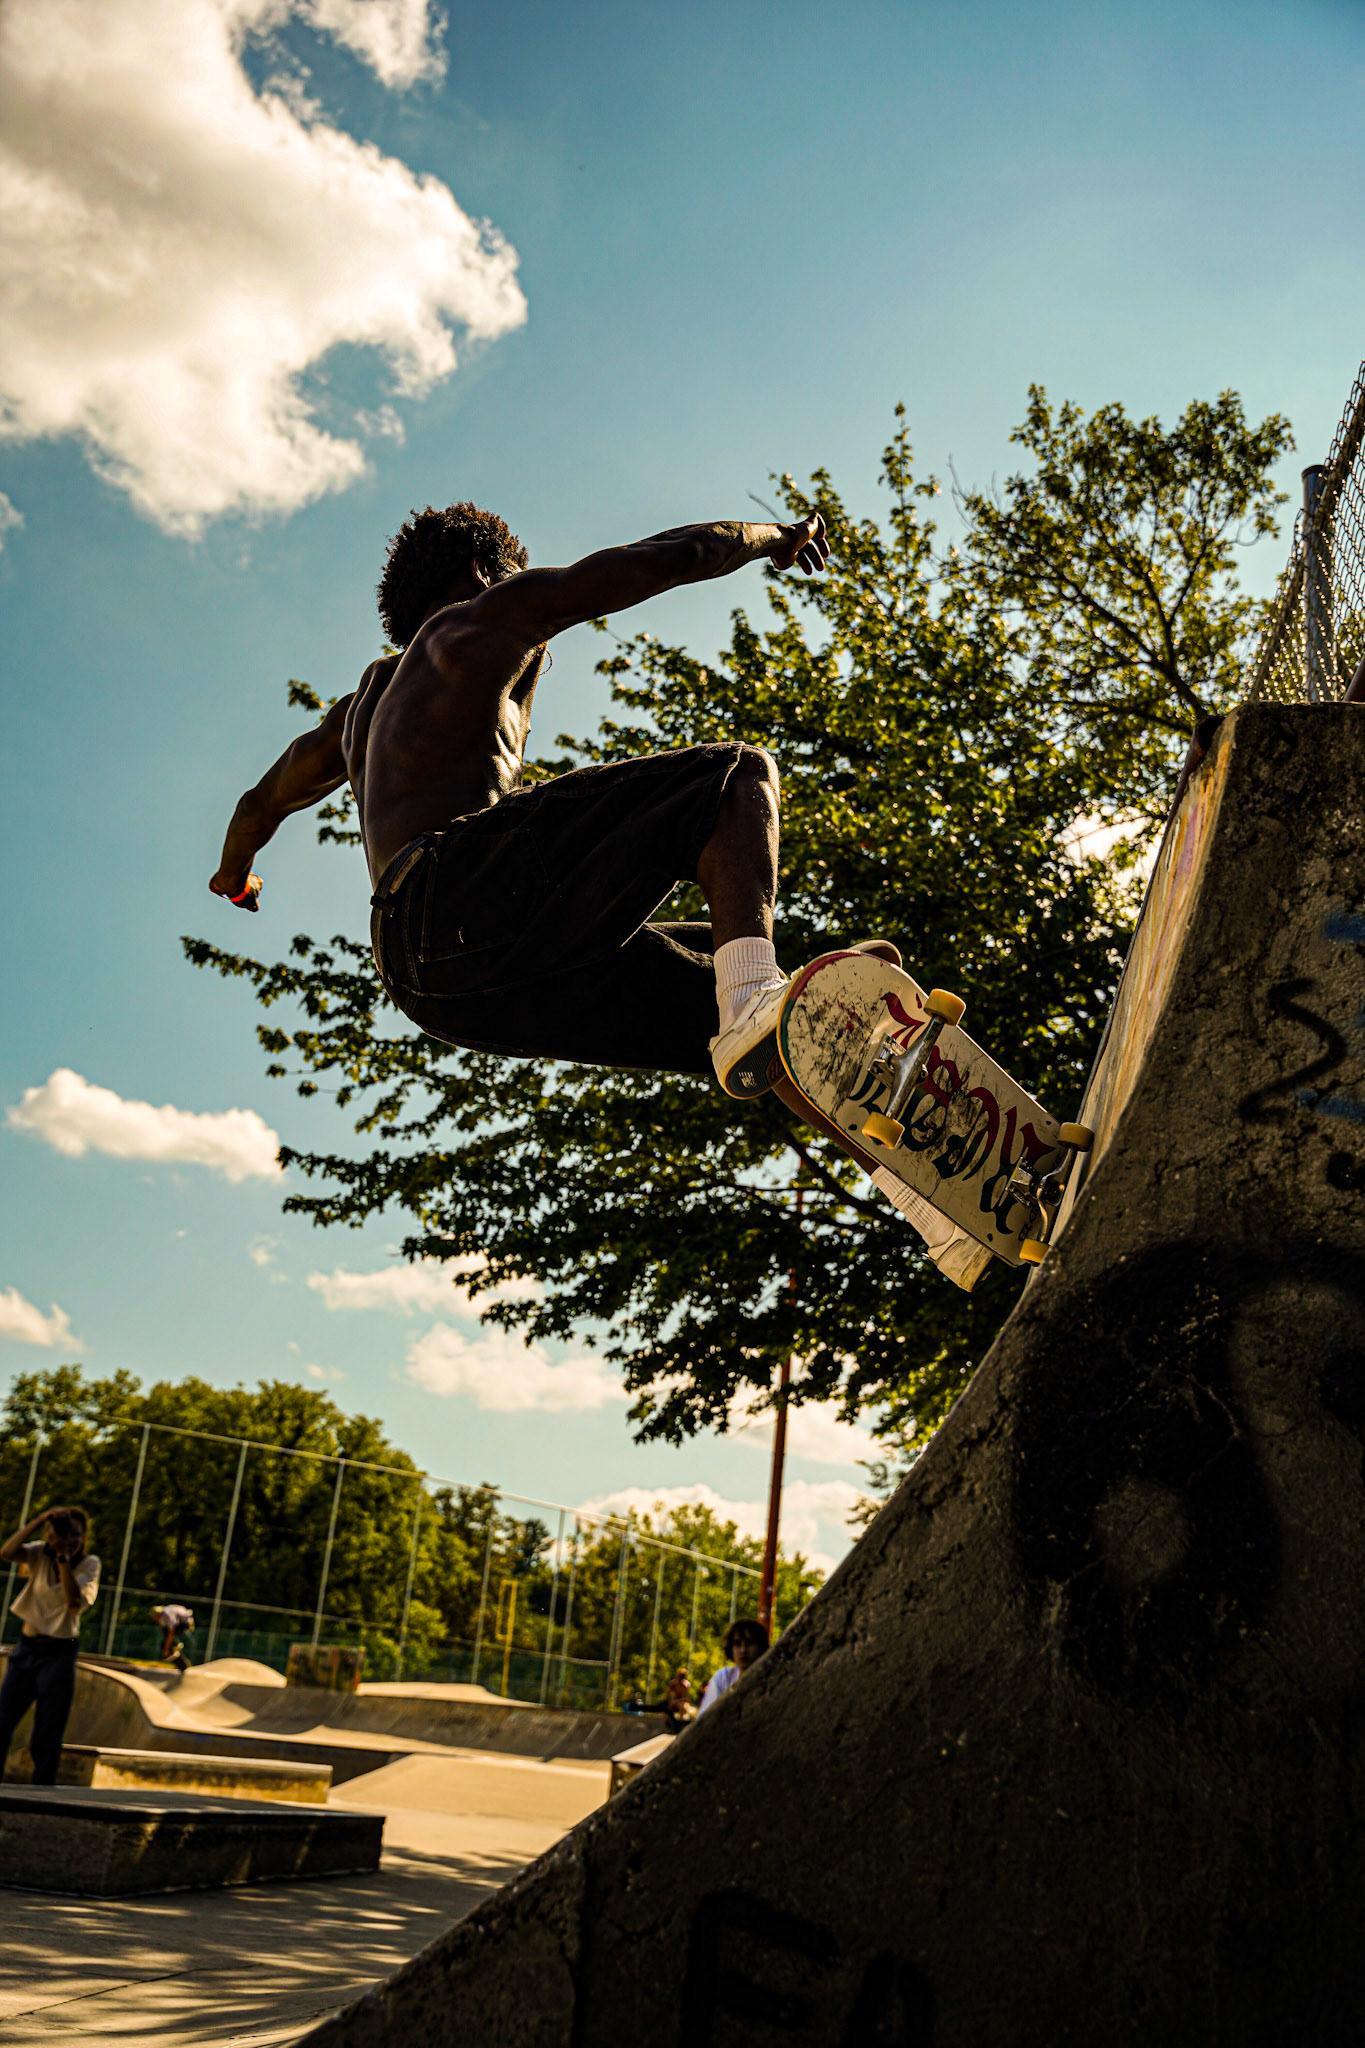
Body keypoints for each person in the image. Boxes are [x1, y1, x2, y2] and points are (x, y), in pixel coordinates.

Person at [209, 504, 833, 1095]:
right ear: (485, 574)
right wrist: (778, 537)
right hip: (460, 889)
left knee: (758, 1005)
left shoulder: (354, 717)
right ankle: (755, 996)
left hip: (427, 981)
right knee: (732, 779)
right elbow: (670, 555)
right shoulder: (479, 617)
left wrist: (236, 880)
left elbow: (256, 807)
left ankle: (884, 1139)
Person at [0, 1506, 100, 1784]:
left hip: (59, 1653)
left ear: (83, 1538)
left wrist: (63, 1560)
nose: (69, 1539)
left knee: (46, 1732)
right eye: (63, 1533)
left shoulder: (88, 1564)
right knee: (2, 1721)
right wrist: (40, 1520)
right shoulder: (38, 1553)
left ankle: (41, 1793)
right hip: (26, 1648)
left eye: (76, 1535)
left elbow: (74, 1603)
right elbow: (6, 1553)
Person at [697, 1617, 769, 1714]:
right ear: (731, 1648)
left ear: (760, 1646)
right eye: (738, 1644)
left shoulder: (770, 1678)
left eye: (750, 1643)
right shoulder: (723, 1678)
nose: (743, 1650)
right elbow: (705, 1717)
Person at [151, 1601, 195, 1672]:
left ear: (156, 1615)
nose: (154, 1620)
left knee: (166, 1642)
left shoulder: (167, 1614)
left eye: (154, 1617)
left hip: (186, 1624)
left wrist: (167, 1647)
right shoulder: (164, 1614)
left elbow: (171, 1632)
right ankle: (176, 1650)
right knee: (164, 1641)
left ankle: (175, 1647)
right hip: (181, 1622)